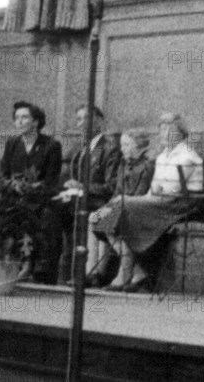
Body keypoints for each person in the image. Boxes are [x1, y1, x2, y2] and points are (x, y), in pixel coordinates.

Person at [92, 112, 203, 293]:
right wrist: (147, 196)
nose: (164, 133)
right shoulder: (162, 156)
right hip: (158, 201)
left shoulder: (188, 156)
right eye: (162, 129)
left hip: (178, 206)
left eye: (169, 129)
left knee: (123, 204)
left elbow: (176, 190)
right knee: (101, 216)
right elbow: (155, 188)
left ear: (180, 133)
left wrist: (148, 195)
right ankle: (136, 271)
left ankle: (125, 271)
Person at [52, 105, 121, 284]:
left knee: (68, 213)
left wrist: (82, 186)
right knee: (51, 208)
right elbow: (71, 175)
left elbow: (110, 186)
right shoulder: (81, 148)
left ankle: (82, 273)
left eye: (86, 118)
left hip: (100, 201)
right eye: (79, 119)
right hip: (81, 198)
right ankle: (57, 271)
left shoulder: (108, 148)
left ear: (98, 121)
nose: (81, 123)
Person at [0, 101, 63, 283]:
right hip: (14, 195)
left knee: (37, 215)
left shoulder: (51, 145)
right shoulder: (12, 143)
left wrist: (31, 189)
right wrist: (12, 185)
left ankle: (30, 266)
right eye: (17, 118)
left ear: (35, 122)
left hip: (40, 197)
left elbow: (51, 180)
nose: (19, 122)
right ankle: (3, 264)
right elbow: (4, 173)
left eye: (24, 117)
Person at [85, 128, 155, 289]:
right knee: (97, 218)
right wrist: (106, 208)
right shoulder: (123, 165)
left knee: (117, 224)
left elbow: (140, 193)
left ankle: (123, 274)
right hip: (123, 206)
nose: (122, 148)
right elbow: (117, 192)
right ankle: (135, 272)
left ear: (139, 147)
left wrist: (113, 208)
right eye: (122, 144)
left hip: (139, 208)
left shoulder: (148, 166)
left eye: (127, 144)